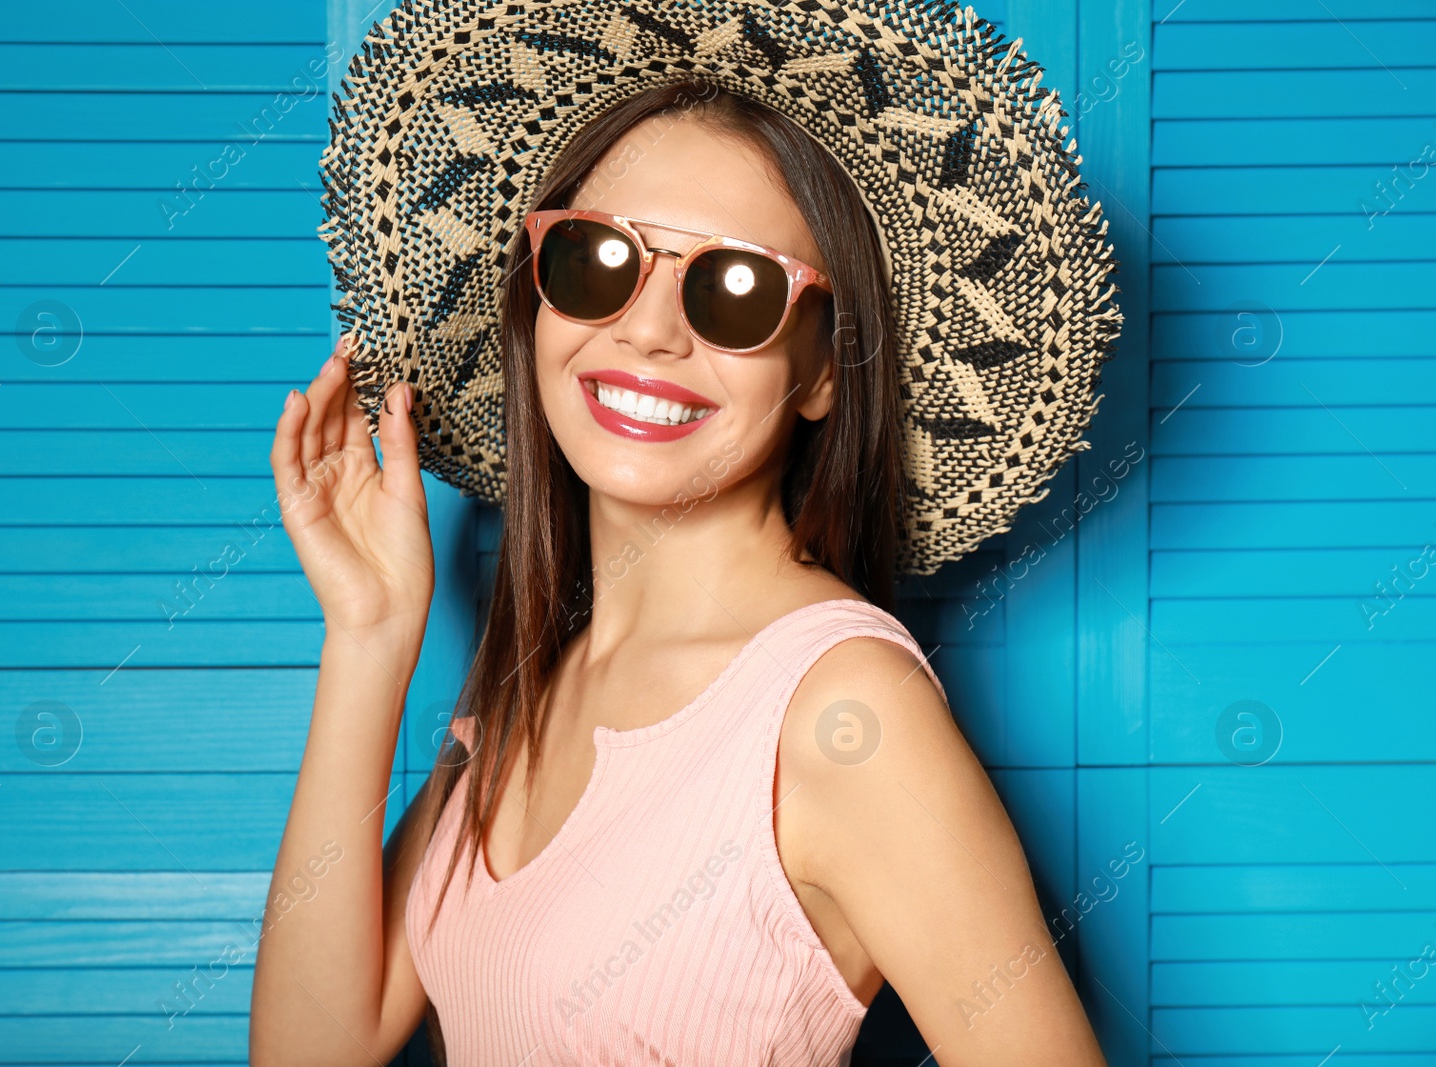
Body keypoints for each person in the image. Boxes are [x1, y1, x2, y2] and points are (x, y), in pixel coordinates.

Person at [249, 76, 1112, 1065]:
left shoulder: (846, 713)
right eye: (595, 259)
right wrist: (368, 632)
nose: (649, 330)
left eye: (736, 285)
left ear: (824, 368)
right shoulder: (531, 687)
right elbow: (312, 1049)